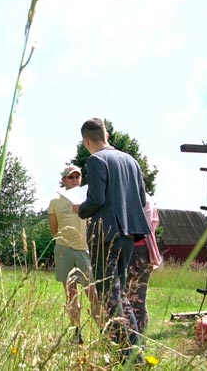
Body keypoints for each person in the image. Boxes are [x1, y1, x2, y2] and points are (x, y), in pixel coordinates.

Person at [72, 118, 151, 361]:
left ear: (86, 141)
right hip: (129, 235)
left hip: (105, 235)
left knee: (110, 295)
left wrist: (80, 209)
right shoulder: (131, 161)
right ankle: (135, 352)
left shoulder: (96, 160)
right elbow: (143, 200)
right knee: (121, 294)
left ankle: (130, 357)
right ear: (106, 135)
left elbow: (96, 199)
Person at [48, 164, 101, 344]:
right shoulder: (55, 200)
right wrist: (66, 243)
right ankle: (77, 333)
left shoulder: (89, 197)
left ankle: (104, 331)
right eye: (71, 177)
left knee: (93, 293)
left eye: (78, 177)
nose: (75, 180)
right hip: (64, 249)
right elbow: (54, 229)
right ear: (64, 180)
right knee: (71, 294)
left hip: (85, 250)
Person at [127, 192, 162, 336]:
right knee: (130, 297)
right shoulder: (143, 198)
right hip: (139, 250)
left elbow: (141, 229)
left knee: (137, 298)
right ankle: (133, 338)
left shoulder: (143, 199)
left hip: (138, 250)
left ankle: (138, 340)